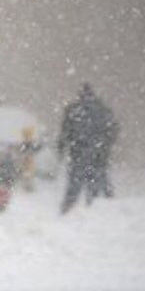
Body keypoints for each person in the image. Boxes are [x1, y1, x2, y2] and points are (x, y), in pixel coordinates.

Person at [58, 82, 119, 214]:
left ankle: (66, 211)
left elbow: (65, 133)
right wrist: (104, 147)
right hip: (98, 157)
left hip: (78, 154)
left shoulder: (73, 110)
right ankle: (96, 211)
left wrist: (61, 150)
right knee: (97, 185)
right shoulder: (103, 111)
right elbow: (112, 132)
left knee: (74, 187)